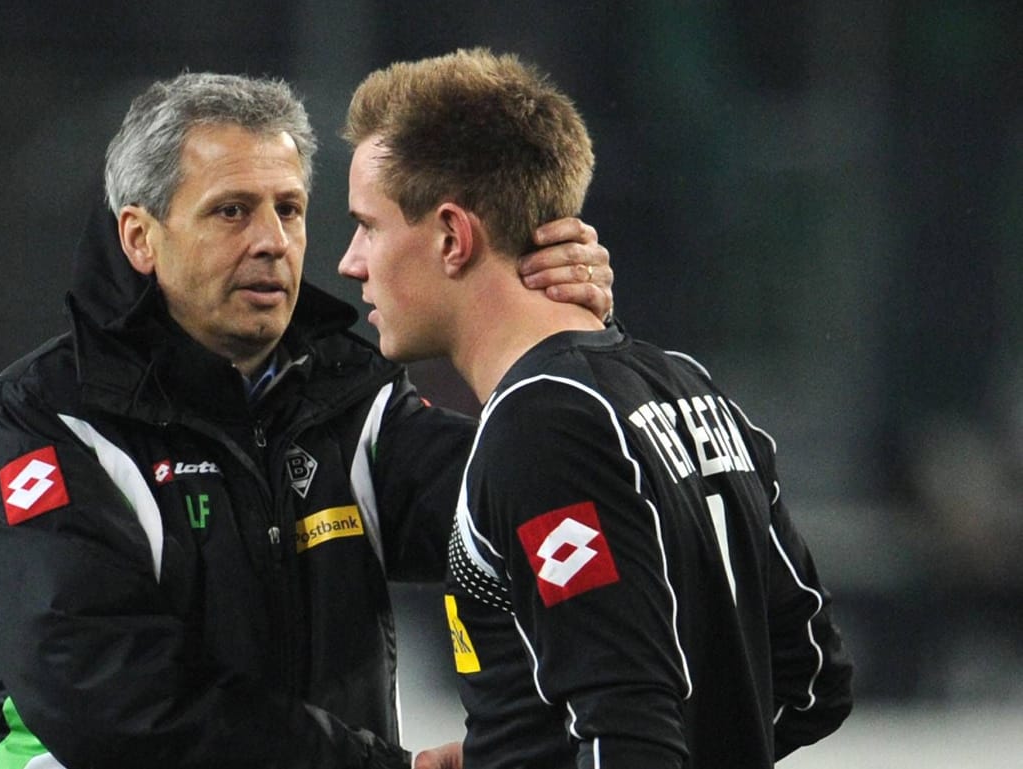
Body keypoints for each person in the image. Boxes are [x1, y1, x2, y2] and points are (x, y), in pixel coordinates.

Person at [0, 71, 615, 769]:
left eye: (289, 209)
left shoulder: (348, 399)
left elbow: (541, 494)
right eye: (232, 211)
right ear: (141, 238)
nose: (273, 240)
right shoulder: (47, 419)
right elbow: (111, 699)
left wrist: (563, 338)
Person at [337, 49, 854, 769]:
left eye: (368, 225)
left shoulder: (541, 428)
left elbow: (627, 732)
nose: (350, 261)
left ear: (452, 237)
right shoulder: (687, 385)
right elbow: (812, 680)